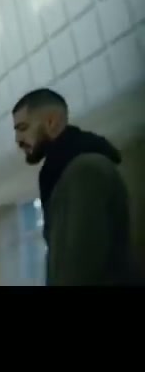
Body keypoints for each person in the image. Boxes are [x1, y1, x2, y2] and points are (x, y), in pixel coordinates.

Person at [11, 88, 134, 285]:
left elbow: (79, 265)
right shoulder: (65, 174)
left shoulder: (85, 172)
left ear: (51, 122)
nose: (17, 140)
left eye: (23, 128)